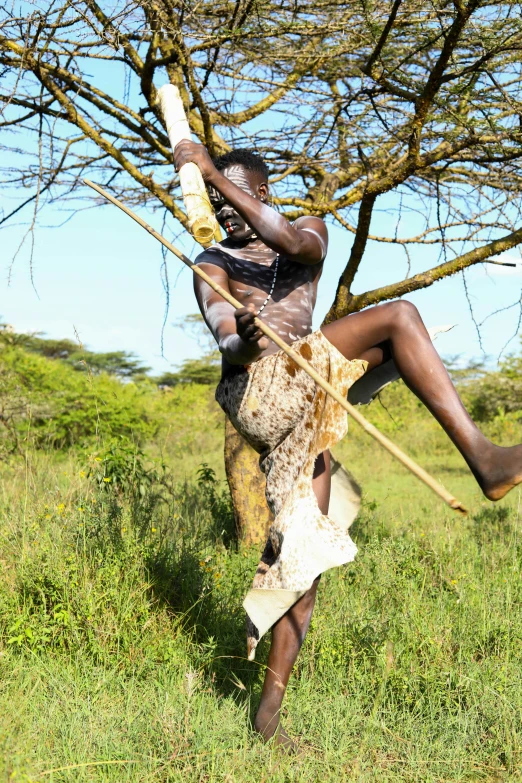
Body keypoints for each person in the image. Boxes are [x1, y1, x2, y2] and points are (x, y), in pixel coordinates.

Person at [173, 140, 522, 751]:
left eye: (237, 196)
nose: (225, 211)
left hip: (305, 402)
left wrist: (210, 172)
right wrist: (248, 342)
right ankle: (485, 459)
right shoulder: (212, 262)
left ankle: (267, 724)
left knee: (302, 570)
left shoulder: (306, 230)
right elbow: (225, 337)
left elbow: (295, 243)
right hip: (257, 396)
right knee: (399, 319)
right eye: (214, 197)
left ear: (261, 194)